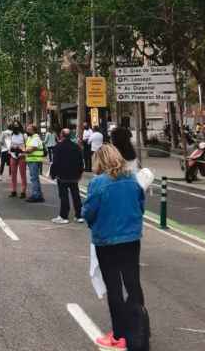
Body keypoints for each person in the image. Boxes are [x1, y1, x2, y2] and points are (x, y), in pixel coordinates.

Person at [82, 144, 146, 350]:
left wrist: (94, 224)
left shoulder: (98, 183)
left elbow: (88, 212)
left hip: (106, 240)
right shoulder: (132, 180)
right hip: (131, 239)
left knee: (114, 288)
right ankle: (137, 334)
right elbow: (140, 206)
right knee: (133, 284)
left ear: (99, 161)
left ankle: (119, 335)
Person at [50, 129, 84, 224]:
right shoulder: (76, 147)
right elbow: (80, 161)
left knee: (64, 196)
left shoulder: (58, 147)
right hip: (74, 175)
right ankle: (79, 215)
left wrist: (53, 174)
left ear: (62, 135)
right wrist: (80, 173)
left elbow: (55, 162)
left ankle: (63, 216)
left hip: (62, 175)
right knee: (76, 195)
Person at [23, 124, 45, 203]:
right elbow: (27, 147)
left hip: (34, 160)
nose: (27, 130)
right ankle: (39, 195)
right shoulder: (30, 137)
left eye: (29, 129)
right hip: (32, 160)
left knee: (34, 178)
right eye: (27, 129)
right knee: (35, 178)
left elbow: (31, 149)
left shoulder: (35, 138)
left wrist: (21, 150)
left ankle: (35, 195)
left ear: (33, 130)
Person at [9, 122, 27, 199]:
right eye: (14, 125)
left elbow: (27, 145)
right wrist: (11, 149)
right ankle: (14, 190)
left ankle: (23, 191)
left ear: (19, 126)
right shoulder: (11, 135)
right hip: (13, 156)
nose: (15, 126)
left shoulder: (24, 135)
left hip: (21, 156)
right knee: (13, 174)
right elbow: (9, 145)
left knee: (23, 174)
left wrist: (22, 150)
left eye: (17, 125)